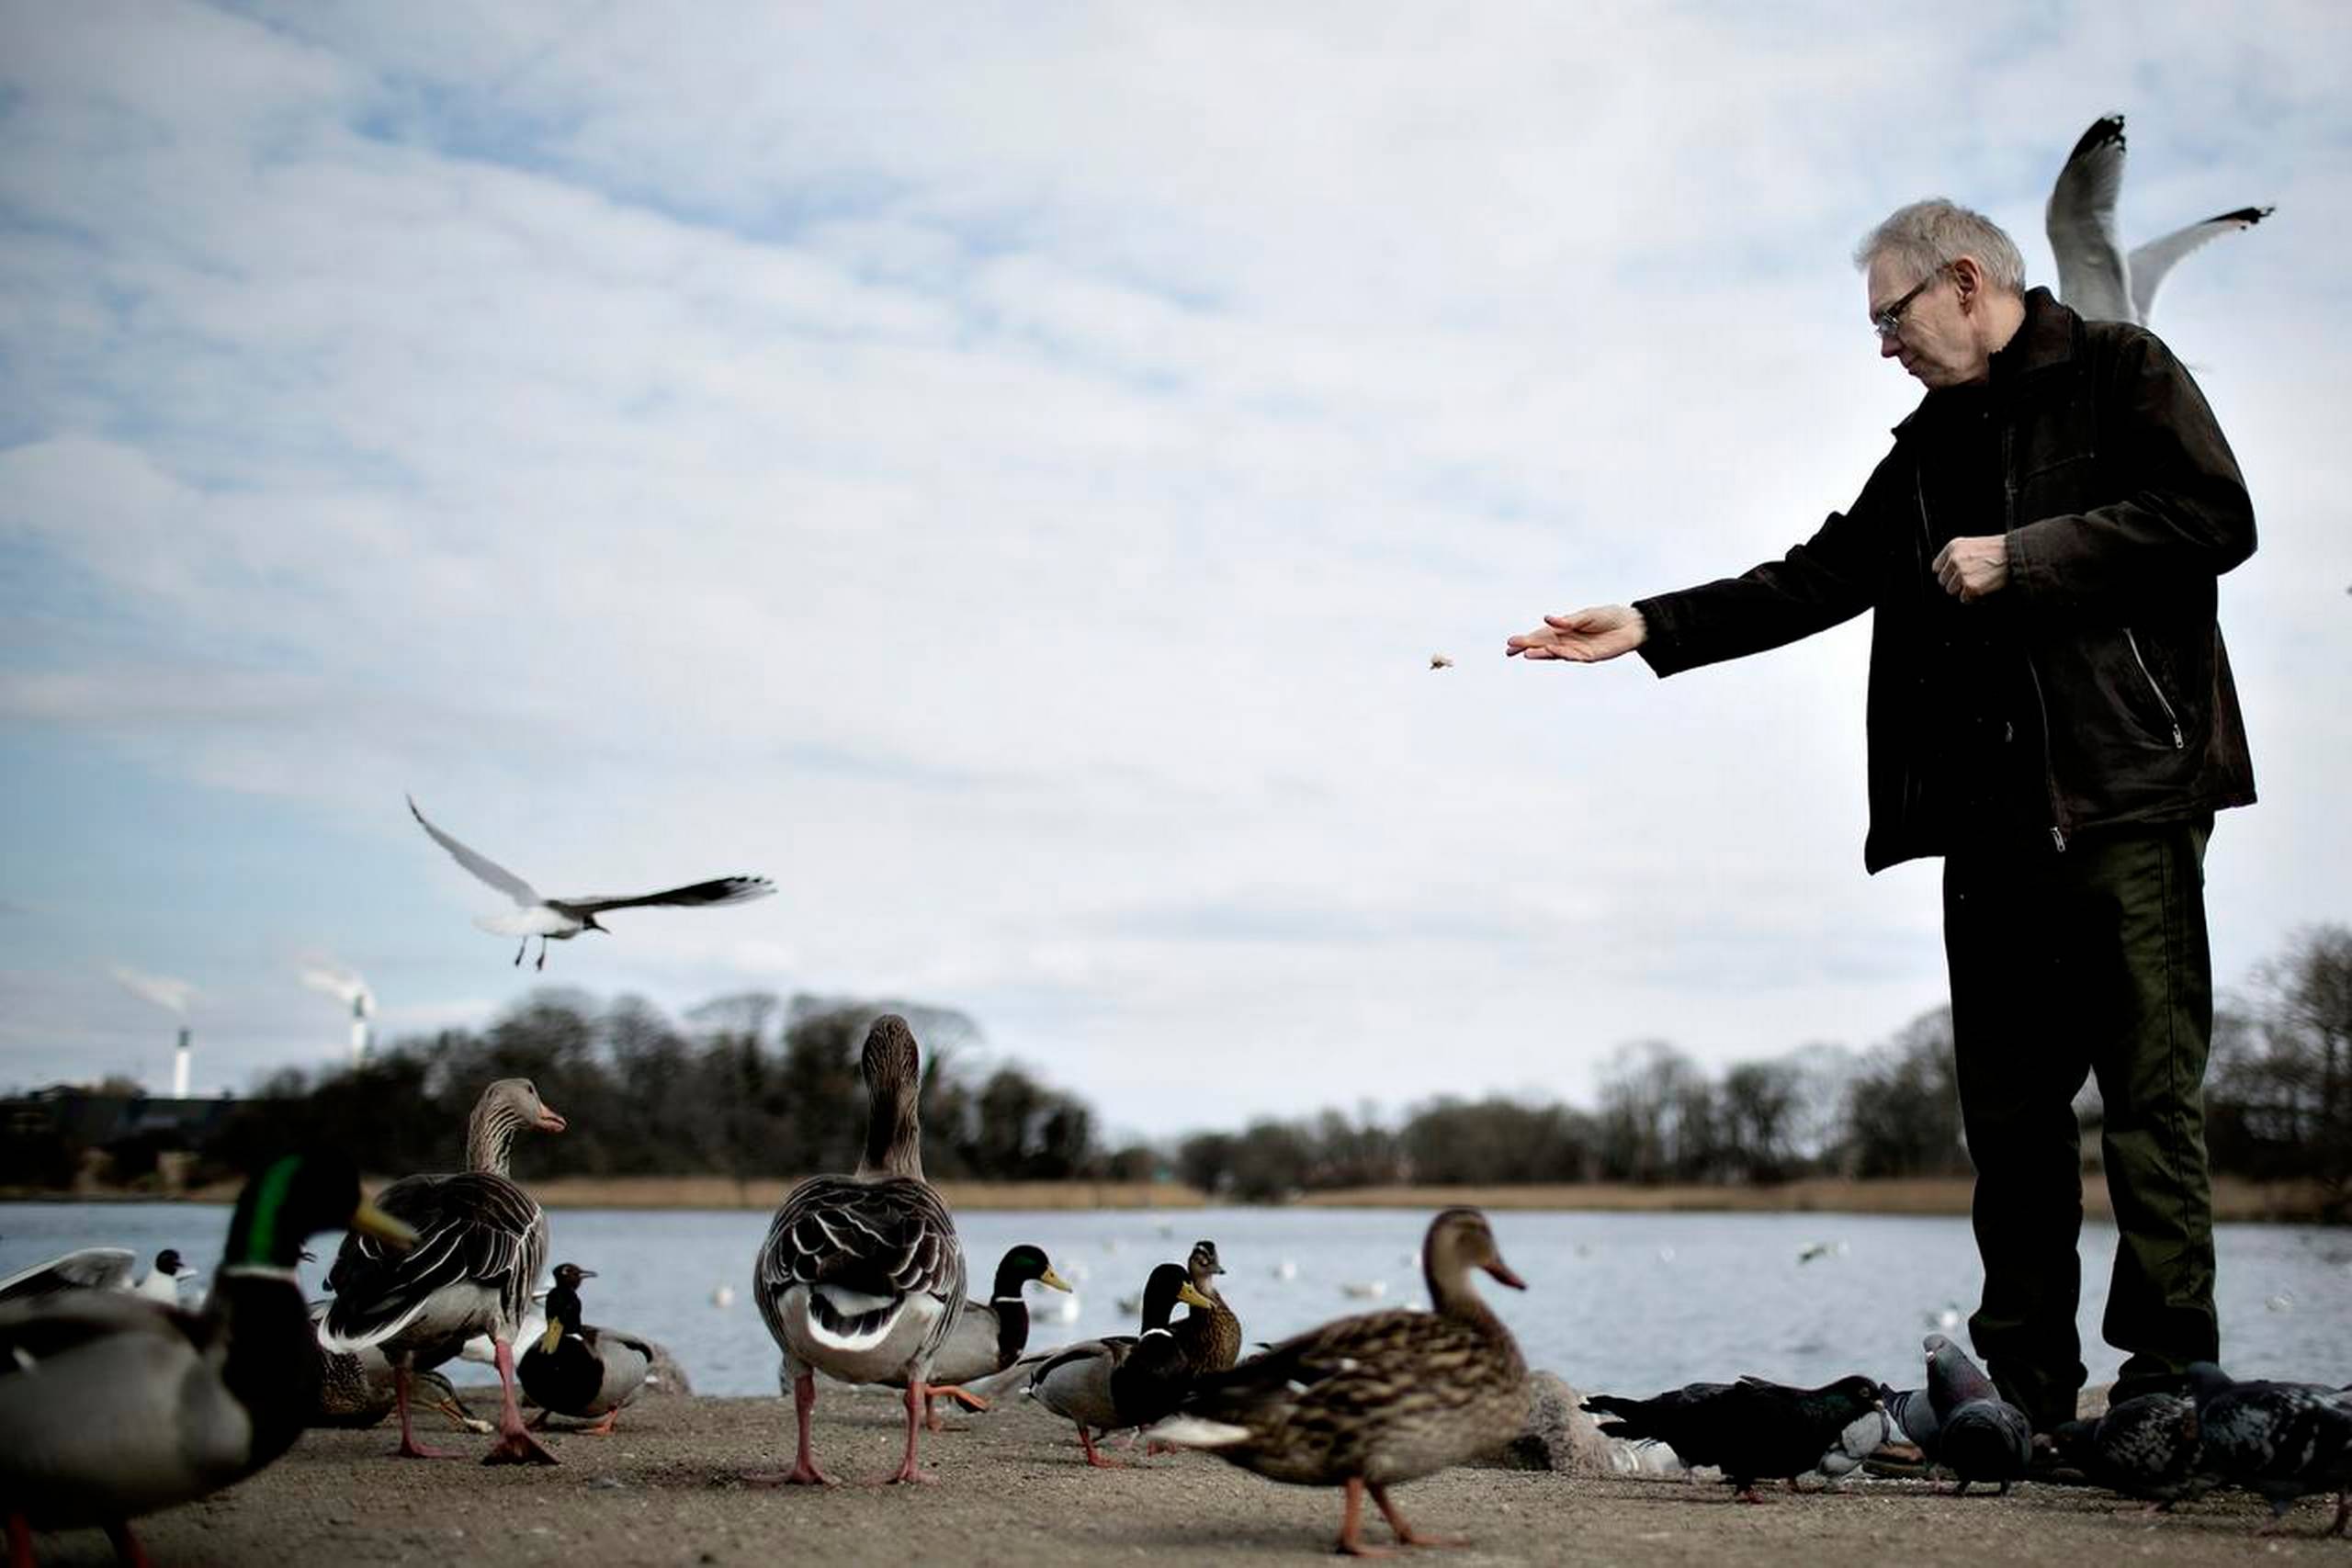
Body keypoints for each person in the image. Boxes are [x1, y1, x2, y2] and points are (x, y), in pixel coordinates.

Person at [1507, 199, 2256, 1434]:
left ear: (1963, 281)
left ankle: (2170, 1380)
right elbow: (1817, 577)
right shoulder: (1926, 449)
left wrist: (2024, 555)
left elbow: (2213, 520)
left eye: (1890, 318)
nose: (1885, 346)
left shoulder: (2125, 372)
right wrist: (1647, 625)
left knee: (2150, 1099)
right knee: (2009, 1123)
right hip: (1988, 826)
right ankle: (2023, 1389)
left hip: (2129, 798)